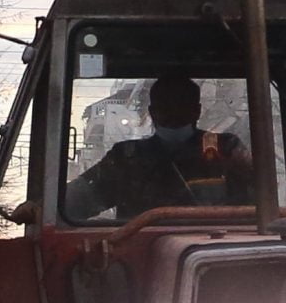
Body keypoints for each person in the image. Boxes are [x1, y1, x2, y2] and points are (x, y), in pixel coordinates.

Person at [63, 74, 254, 221]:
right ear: (153, 112)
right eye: (167, 106)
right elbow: (75, 202)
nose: (174, 111)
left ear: (196, 111)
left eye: (180, 104)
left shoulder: (226, 149)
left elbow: (257, 204)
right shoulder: (125, 157)